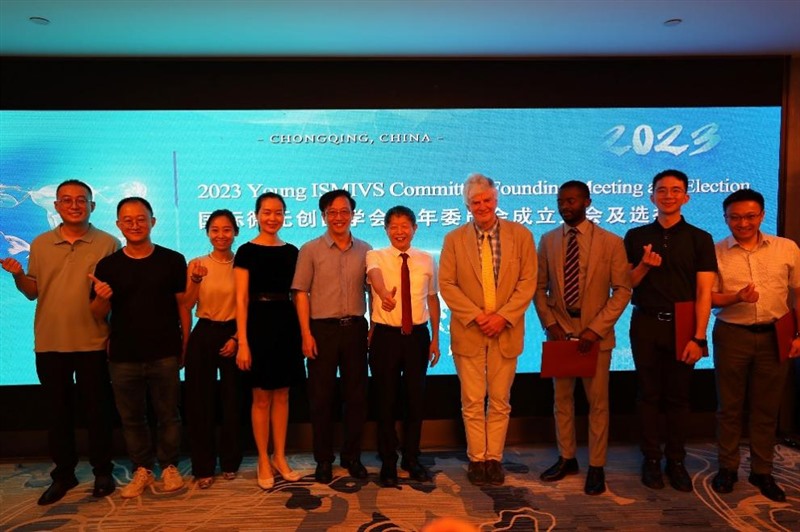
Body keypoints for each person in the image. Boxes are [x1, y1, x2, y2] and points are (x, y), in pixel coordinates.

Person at [1, 179, 118, 505]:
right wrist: (17, 275)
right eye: (67, 200)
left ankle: (103, 472)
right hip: (50, 343)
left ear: (93, 205)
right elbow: (33, 291)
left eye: (81, 200)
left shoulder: (109, 243)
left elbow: (111, 296)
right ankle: (64, 475)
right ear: (56, 206)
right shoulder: (40, 244)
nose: (74, 205)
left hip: (93, 342)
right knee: (57, 415)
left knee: (98, 413)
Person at [533, 181, 631, 495]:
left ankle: (597, 466)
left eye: (572, 200)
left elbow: (622, 290)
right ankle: (567, 458)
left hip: (595, 336)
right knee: (562, 400)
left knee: (597, 404)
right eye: (561, 201)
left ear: (587, 202)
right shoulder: (548, 240)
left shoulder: (611, 242)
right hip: (560, 334)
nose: (565, 206)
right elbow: (539, 288)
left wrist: (596, 329)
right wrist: (550, 324)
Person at [439, 173, 537, 486]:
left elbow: (528, 282)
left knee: (499, 399)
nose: (482, 206)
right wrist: (477, 316)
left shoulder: (520, 235)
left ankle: (494, 458)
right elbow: (447, 284)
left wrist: (503, 316)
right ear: (467, 206)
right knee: (471, 400)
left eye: (487, 200)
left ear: (496, 200)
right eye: (475, 202)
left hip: (505, 330)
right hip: (470, 330)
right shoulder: (453, 239)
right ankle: (477, 458)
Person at [89, 196, 190, 499]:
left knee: (168, 415)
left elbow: (183, 306)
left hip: (165, 352)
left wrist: (186, 342)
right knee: (132, 418)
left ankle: (169, 465)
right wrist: (102, 297)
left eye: (141, 219)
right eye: (128, 220)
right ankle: (142, 468)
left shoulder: (173, 260)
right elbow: (97, 313)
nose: (135, 225)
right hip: (123, 356)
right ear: (118, 224)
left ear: (152, 222)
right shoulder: (108, 265)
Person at [623, 169, 717, 492]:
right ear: (651, 196)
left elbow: (704, 292)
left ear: (686, 197)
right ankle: (651, 458)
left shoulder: (700, 238)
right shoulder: (635, 236)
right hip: (645, 322)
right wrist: (644, 266)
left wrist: (699, 337)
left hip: (684, 324)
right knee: (648, 394)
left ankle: (676, 460)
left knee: (678, 397)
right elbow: (627, 284)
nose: (668, 196)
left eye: (675, 190)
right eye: (661, 190)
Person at [709, 189, 800, 502]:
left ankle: (762, 471)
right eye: (735, 217)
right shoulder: (716, 251)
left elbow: (798, 292)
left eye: (750, 216)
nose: (743, 223)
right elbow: (708, 298)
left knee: (766, 407)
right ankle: (728, 468)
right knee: (729, 407)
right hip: (732, 334)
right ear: (725, 218)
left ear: (762, 215)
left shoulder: (786, 248)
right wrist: (736, 297)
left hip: (776, 333)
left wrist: (799, 334)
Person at [291, 189, 372, 483]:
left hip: (355, 329)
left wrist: (374, 326)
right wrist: (305, 334)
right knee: (321, 398)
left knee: (356, 397)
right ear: (323, 216)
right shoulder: (310, 250)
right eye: (332, 212)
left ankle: (352, 456)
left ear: (353, 214)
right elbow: (300, 293)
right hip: (321, 331)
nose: (339, 217)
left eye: (344, 211)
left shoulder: (366, 250)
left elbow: (373, 291)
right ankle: (323, 460)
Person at [234, 193, 305, 489]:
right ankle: (263, 458)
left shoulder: (292, 252)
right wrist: (243, 341)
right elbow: (240, 299)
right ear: (256, 215)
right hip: (257, 325)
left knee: (283, 395)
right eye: (266, 212)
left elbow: (298, 295)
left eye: (278, 213)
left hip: (286, 324)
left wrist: (305, 334)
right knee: (261, 397)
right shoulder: (246, 251)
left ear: (284, 216)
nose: (272, 218)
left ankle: (280, 456)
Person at [366, 205, 441, 487]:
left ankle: (411, 458)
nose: (399, 231)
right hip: (385, 337)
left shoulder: (426, 259)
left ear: (414, 229)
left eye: (405, 226)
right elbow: (375, 277)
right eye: (394, 227)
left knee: (415, 399)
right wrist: (384, 294)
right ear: (386, 230)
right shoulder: (375, 255)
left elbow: (432, 298)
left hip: (417, 336)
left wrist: (435, 338)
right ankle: (388, 461)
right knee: (385, 400)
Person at [183, 209, 243, 489]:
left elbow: (247, 305)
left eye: (227, 229)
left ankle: (230, 461)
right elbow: (187, 304)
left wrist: (237, 338)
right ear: (207, 233)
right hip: (204, 332)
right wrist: (195, 280)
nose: (221, 235)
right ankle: (203, 466)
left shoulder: (242, 264)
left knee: (233, 402)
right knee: (200, 403)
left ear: (236, 232)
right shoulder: (196, 264)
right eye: (215, 230)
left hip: (234, 333)